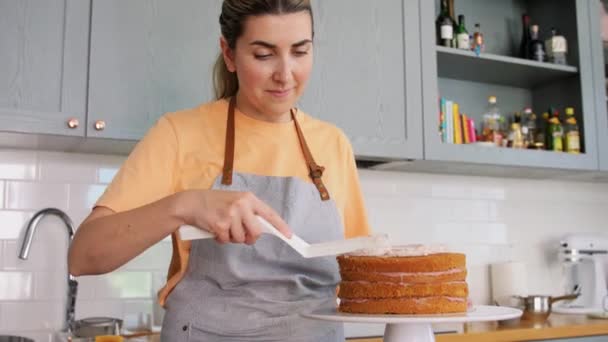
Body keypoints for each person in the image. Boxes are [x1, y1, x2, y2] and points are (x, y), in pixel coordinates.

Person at [68, 0, 371, 340]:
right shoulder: (180, 134)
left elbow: (361, 269)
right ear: (229, 54)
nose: (286, 74)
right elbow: (83, 256)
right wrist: (187, 206)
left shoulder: (333, 144)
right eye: (263, 54)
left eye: (300, 52)